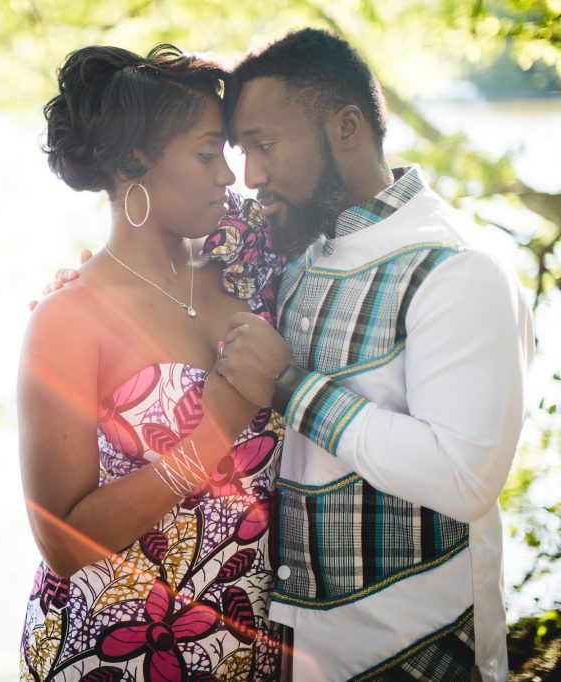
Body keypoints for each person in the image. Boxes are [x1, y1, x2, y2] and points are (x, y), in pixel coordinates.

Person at [212, 29, 535, 680]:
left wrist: (291, 386)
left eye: (264, 145)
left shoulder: (453, 270)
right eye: (240, 150)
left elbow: (464, 478)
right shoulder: (301, 250)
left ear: (347, 127)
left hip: (416, 653)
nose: (251, 175)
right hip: (298, 651)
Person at [18, 44, 287, 680]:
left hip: (247, 648)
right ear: (136, 161)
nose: (228, 176)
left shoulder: (247, 269)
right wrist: (219, 417)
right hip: (112, 649)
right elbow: (63, 543)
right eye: (205, 154)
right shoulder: (68, 319)